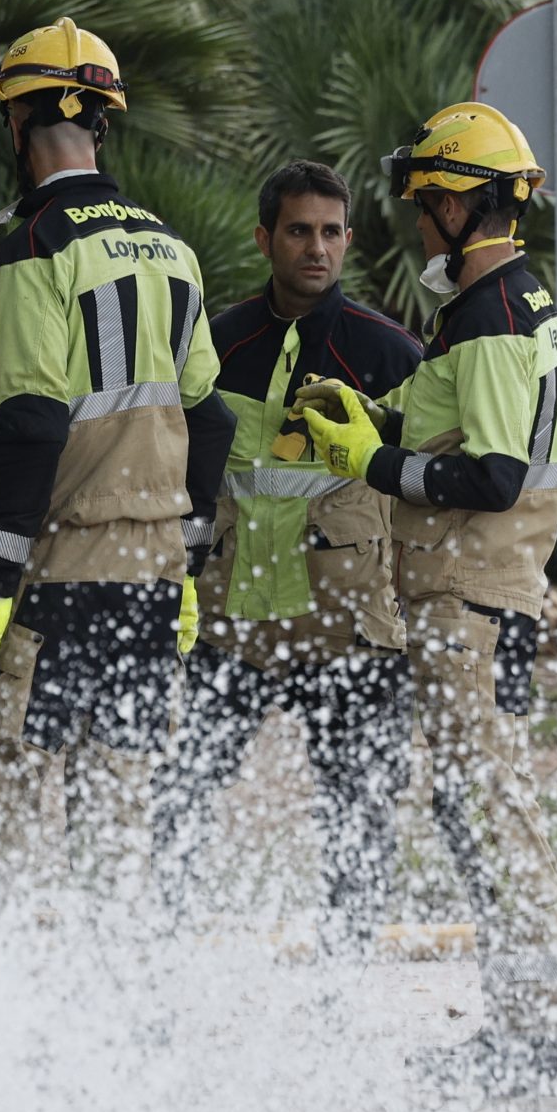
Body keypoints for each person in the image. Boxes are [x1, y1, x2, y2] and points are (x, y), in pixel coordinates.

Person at [290, 102, 557, 1091]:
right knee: (478, 807)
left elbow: (491, 476)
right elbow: (451, 428)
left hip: (474, 593)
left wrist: (370, 460)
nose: (417, 220)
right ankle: (519, 1028)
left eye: (427, 201)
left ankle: (527, 1040)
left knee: (492, 813)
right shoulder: (494, 310)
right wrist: (367, 419)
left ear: (464, 204)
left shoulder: (495, 317)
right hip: (471, 593)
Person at [0, 18, 235, 877]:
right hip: (150, 572)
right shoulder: (173, 250)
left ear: (15, 125)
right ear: (101, 125)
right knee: (115, 804)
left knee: (2, 789)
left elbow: (34, 422)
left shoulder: (37, 247)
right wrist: (187, 561)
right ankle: (112, 996)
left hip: (60, 566)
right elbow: (211, 419)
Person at [158, 160, 426, 938]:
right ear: (265, 238)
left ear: (348, 240)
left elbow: (424, 487)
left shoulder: (390, 354)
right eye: (300, 231)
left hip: (350, 630)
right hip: (230, 622)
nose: (318, 248)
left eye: (332, 232)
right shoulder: (216, 344)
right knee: (183, 794)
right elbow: (181, 469)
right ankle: (163, 956)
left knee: (359, 811)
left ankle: (343, 978)